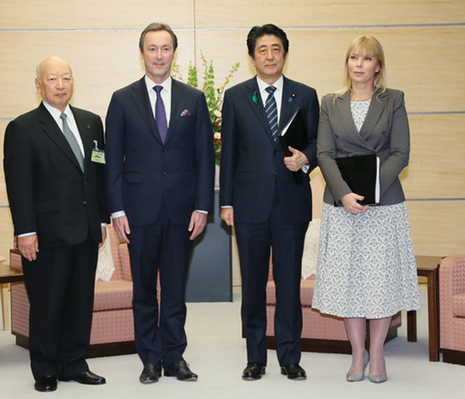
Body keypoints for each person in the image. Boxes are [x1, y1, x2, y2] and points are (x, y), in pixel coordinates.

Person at [104, 22, 215, 384]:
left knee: (174, 289)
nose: (159, 56)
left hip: (183, 212)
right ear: (142, 53)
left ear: (173, 53)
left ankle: (174, 356)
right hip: (138, 211)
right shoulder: (122, 99)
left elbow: (203, 157)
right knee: (143, 291)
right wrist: (117, 209)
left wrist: (202, 207)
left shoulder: (193, 99)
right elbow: (113, 160)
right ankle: (150, 359)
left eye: (165, 48)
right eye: (152, 49)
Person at [312, 35, 421, 384]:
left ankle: (377, 354)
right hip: (341, 205)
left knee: (379, 281)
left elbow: (400, 153)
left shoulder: (394, 100)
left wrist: (372, 191)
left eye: (366, 58)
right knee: (349, 282)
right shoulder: (331, 102)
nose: (358, 64)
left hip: (383, 203)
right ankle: (357, 353)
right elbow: (324, 153)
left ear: (378, 66)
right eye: (353, 57)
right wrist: (344, 194)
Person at [220, 24, 319, 381]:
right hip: (249, 206)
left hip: (291, 202)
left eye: (276, 49)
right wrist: (226, 203)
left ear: (285, 54)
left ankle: (290, 356)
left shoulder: (305, 95)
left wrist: (304, 159)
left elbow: (317, 145)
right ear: (251, 57)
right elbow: (229, 153)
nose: (270, 56)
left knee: (289, 284)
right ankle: (256, 357)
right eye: (262, 50)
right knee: (253, 284)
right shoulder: (235, 96)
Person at [3, 56, 108, 392]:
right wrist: (25, 231)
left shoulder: (92, 123)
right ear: (39, 85)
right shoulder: (23, 128)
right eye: (53, 79)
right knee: (48, 303)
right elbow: (18, 184)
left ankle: (75, 362)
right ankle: (46, 368)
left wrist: (102, 219)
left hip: (87, 229)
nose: (60, 85)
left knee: (80, 301)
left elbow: (97, 173)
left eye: (66, 78)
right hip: (46, 233)